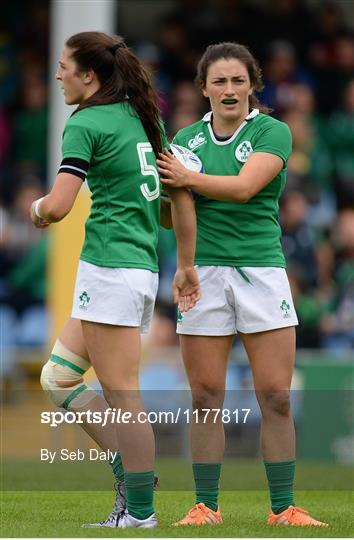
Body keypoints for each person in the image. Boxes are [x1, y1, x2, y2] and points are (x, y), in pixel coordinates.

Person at [30, 31, 200, 529]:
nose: (58, 74)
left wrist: (35, 209)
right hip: (132, 267)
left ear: (90, 75)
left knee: (124, 394)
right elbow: (176, 206)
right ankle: (131, 470)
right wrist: (184, 261)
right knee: (58, 379)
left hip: (111, 267)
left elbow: (58, 206)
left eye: (64, 65)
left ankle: (140, 511)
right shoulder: (142, 118)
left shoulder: (86, 121)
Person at [157, 42, 328, 527]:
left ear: (253, 85)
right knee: (206, 395)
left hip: (261, 271)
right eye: (219, 81)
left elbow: (245, 187)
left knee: (275, 394)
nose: (229, 90)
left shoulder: (272, 131)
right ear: (204, 87)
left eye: (238, 80)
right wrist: (166, 196)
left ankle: (283, 508)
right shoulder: (185, 138)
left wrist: (188, 178)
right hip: (203, 273)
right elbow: (172, 216)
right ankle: (205, 506)